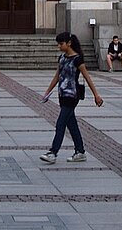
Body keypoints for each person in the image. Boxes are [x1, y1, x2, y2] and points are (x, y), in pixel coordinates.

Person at [40, 32, 103, 164]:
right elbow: (57, 76)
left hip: (72, 95)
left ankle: (53, 152)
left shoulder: (77, 60)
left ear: (69, 43)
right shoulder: (62, 58)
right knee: (71, 123)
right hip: (62, 95)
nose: (59, 46)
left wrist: (96, 95)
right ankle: (80, 151)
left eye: (61, 43)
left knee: (61, 123)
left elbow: (87, 77)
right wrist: (47, 91)